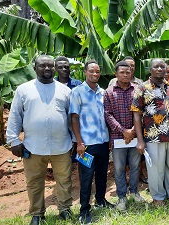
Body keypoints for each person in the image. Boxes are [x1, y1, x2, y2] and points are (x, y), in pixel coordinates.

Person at [6, 55, 73, 225]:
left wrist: (74, 139)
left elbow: (72, 117)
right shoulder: (23, 90)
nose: (47, 69)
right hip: (32, 146)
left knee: (64, 179)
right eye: (43, 66)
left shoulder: (65, 90)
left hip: (62, 145)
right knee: (34, 181)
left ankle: (65, 209)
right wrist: (14, 141)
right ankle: (37, 214)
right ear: (35, 68)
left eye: (50, 66)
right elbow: (15, 116)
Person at [131, 58, 169, 206]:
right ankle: (158, 197)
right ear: (151, 69)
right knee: (155, 169)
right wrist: (140, 140)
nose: (160, 69)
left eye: (163, 67)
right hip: (153, 136)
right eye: (157, 67)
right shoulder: (142, 88)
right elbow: (136, 114)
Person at [70, 60, 113, 224]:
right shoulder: (77, 92)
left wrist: (108, 139)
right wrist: (79, 142)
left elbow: (106, 117)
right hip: (86, 145)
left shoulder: (103, 93)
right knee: (86, 178)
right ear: (85, 72)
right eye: (91, 71)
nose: (95, 74)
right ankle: (84, 210)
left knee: (102, 175)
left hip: (102, 142)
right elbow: (74, 118)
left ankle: (101, 201)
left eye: (97, 71)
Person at [104, 61, 145, 211]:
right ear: (116, 74)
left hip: (135, 135)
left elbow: (142, 111)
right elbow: (108, 114)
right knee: (119, 168)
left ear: (131, 73)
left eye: (128, 72)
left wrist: (133, 131)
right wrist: (123, 131)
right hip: (117, 137)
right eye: (122, 72)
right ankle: (122, 197)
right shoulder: (108, 92)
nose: (125, 75)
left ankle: (134, 192)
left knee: (135, 166)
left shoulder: (138, 90)